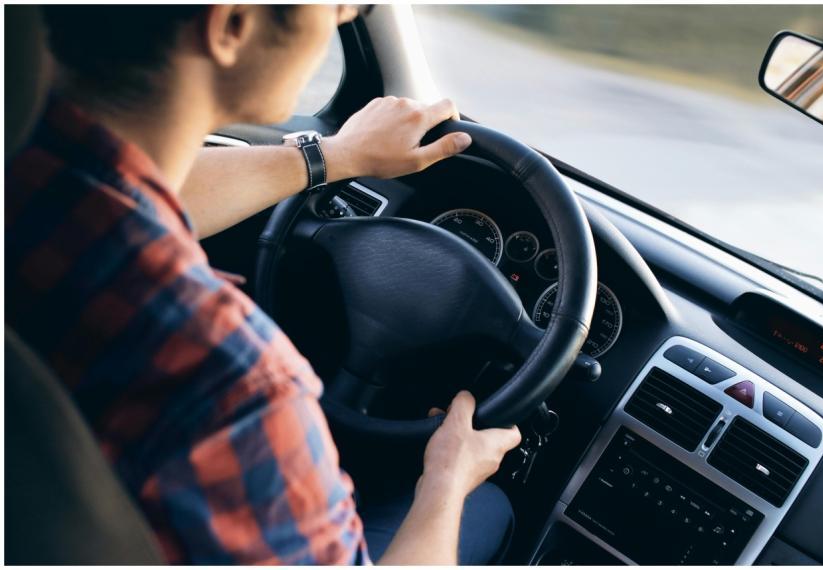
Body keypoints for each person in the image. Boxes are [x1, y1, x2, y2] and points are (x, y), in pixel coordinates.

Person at [6, 5, 522, 565]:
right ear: (230, 25)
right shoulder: (231, 384)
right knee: (486, 507)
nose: (346, 12)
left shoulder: (30, 173)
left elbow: (136, 193)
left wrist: (337, 155)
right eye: (335, 4)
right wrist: (446, 479)